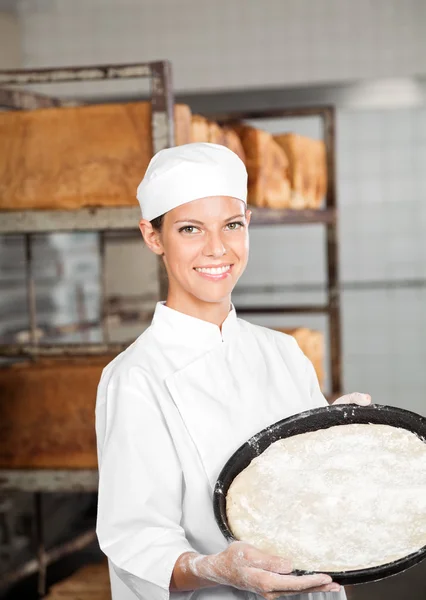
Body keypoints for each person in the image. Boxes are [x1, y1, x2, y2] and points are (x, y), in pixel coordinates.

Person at [95, 142, 371, 600]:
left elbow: (308, 496)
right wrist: (218, 569)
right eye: (190, 229)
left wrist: (343, 446)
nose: (217, 248)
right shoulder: (136, 377)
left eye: (232, 225)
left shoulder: (283, 352)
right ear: (153, 236)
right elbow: (137, 541)